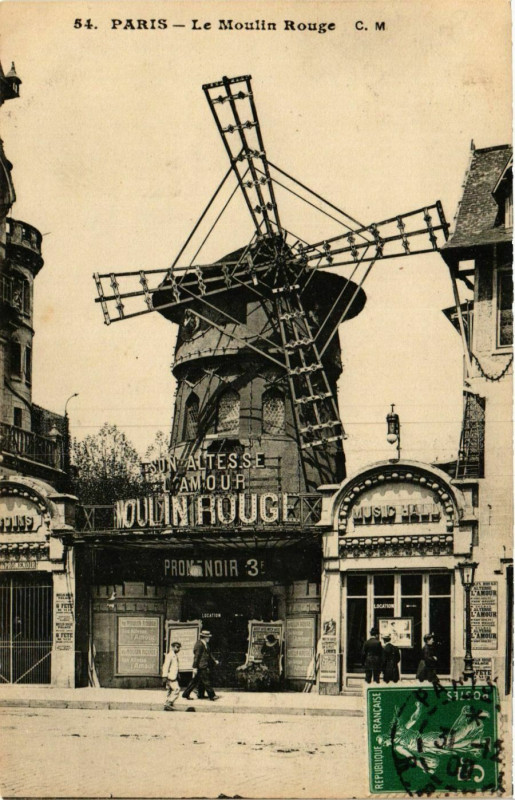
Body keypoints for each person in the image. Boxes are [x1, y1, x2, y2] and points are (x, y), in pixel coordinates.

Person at [182, 629, 220, 701]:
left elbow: (209, 654)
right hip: (201, 666)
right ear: (204, 637)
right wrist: (195, 667)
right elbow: (197, 656)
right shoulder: (199, 644)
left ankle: (189, 694)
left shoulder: (205, 644)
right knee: (206, 681)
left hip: (203, 665)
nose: (209, 638)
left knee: (196, 681)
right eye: (208, 637)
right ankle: (212, 696)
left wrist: (215, 660)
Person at [162, 641, 182, 711]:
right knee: (177, 689)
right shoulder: (170, 655)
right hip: (170, 677)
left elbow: (175, 667)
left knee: (169, 691)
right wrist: (164, 676)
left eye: (179, 647)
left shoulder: (175, 655)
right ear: (172, 647)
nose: (178, 649)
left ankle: (168, 704)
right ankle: (169, 703)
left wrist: (178, 674)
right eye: (177, 647)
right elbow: (166, 666)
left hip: (173, 676)